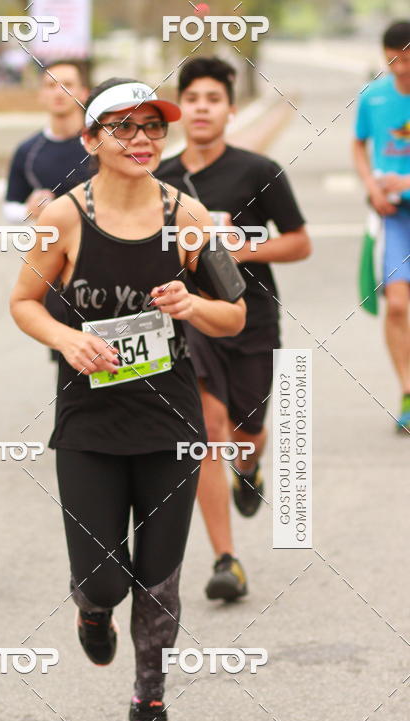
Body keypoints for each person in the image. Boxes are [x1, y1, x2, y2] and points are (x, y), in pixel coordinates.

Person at [10, 78, 246, 721]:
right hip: (88, 422)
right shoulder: (63, 217)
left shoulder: (189, 216)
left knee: (160, 574)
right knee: (108, 578)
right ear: (91, 141)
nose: (142, 139)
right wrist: (65, 338)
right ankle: (91, 606)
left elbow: (235, 313)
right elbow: (24, 302)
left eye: (153, 127)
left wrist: (192, 307)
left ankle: (150, 705)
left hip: (170, 418)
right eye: (124, 127)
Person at [157, 57, 311, 602]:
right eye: (192, 98)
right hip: (191, 320)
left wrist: (244, 248)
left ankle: (251, 468)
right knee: (206, 433)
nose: (202, 107)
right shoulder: (162, 179)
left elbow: (299, 241)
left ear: (230, 108)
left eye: (213, 99)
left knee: (246, 433)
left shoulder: (257, 170)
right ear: (183, 108)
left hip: (252, 320)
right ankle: (226, 560)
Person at [4, 59, 94, 348]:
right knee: (69, 349)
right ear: (41, 95)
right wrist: (29, 209)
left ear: (83, 92)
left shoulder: (103, 145)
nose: (59, 92)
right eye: (51, 85)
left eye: (67, 85)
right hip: (57, 265)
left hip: (105, 255)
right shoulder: (28, 151)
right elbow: (10, 207)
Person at [353, 21, 410, 432]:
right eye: (393, 58)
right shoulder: (373, 96)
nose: (401, 66)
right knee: (398, 304)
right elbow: (358, 144)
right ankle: (408, 391)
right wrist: (372, 185)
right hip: (393, 218)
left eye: (408, 58)